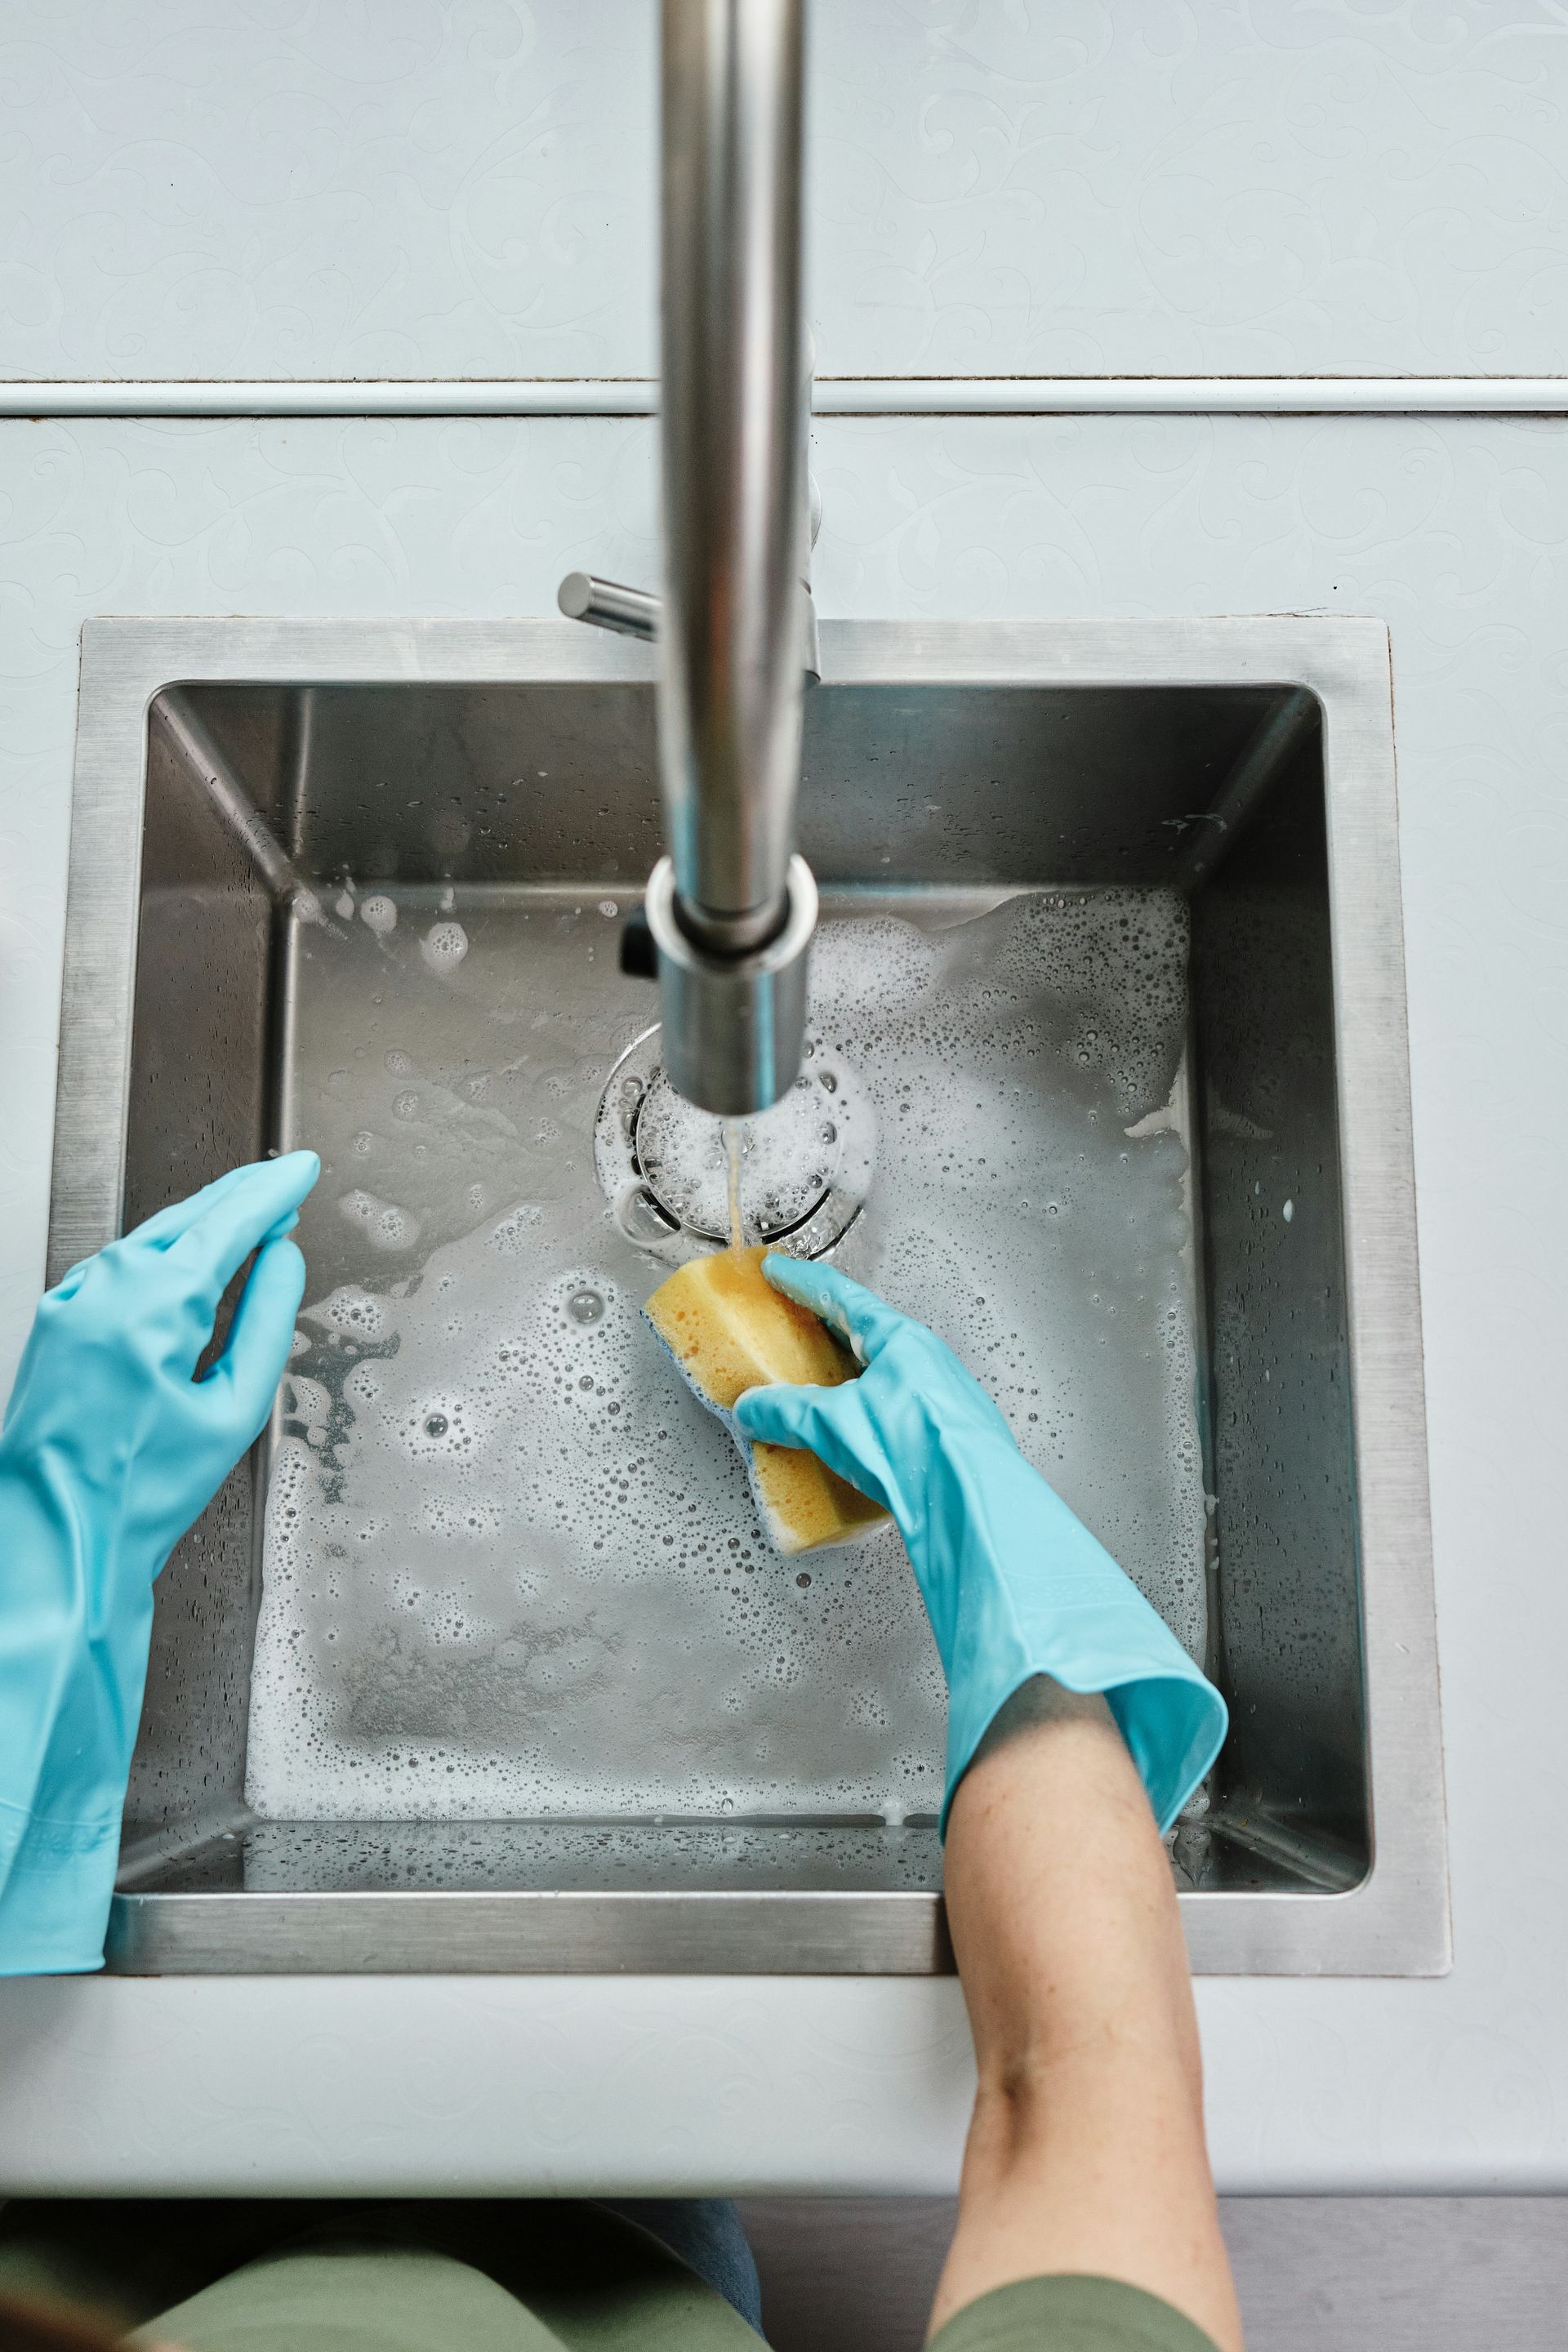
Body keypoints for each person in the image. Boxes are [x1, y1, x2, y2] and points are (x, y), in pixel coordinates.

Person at [0, 1158, 1241, 2352]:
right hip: (581, 2284)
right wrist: (1003, 1556)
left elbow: (1070, 2090)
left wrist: (49, 1580)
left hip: (83, 2229)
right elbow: (1074, 2076)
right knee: (617, 2210)